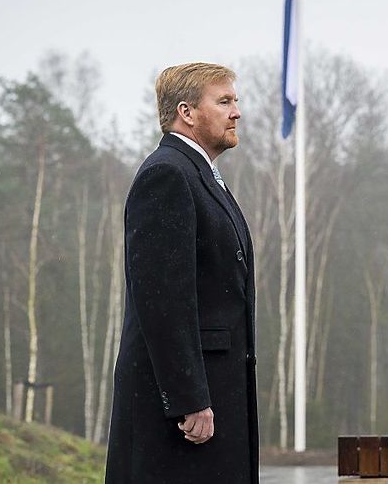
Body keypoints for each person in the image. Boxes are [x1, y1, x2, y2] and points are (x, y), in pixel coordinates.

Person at [105, 62, 258, 484]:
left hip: (206, 403)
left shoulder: (198, 175)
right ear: (187, 112)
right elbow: (162, 301)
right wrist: (189, 397)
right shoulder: (167, 175)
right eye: (224, 101)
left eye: (235, 100)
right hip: (180, 418)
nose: (236, 112)